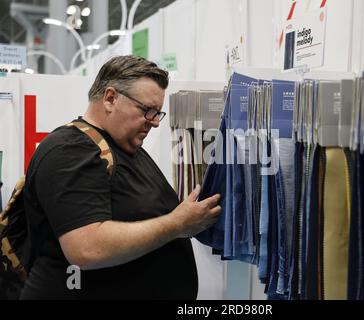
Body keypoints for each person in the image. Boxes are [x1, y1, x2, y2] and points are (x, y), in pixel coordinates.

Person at [20, 55, 222, 300]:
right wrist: (177, 224)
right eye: (147, 110)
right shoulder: (71, 150)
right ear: (110, 98)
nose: (155, 122)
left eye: (158, 113)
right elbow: (87, 247)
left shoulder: (122, 148)